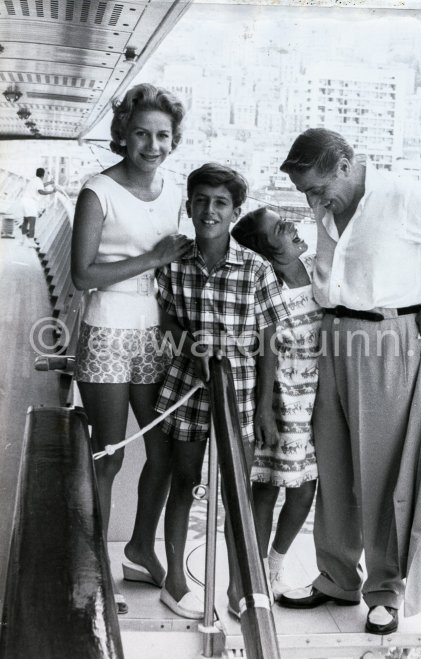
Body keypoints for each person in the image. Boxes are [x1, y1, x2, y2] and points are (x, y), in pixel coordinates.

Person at [277, 128, 421, 634]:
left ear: (347, 165)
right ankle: (335, 577)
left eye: (318, 188)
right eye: (305, 192)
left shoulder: (402, 196)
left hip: (387, 337)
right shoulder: (328, 207)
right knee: (331, 466)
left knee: (382, 473)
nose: (312, 201)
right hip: (332, 337)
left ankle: (385, 591)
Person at [71, 83, 189, 614]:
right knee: (109, 451)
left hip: (154, 332)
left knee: (162, 449)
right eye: (141, 133)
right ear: (123, 134)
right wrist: (153, 258)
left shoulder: (176, 191)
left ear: (174, 140)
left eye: (162, 135)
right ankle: (88, 568)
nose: (152, 144)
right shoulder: (98, 190)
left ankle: (141, 550)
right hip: (108, 327)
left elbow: (182, 264)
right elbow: (82, 274)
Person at [155, 164, 289, 618]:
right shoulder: (174, 263)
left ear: (235, 212)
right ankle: (174, 581)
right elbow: (167, 320)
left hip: (242, 392)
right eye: (201, 201)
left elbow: (270, 339)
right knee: (184, 480)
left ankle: (238, 588)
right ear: (189, 205)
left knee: (237, 491)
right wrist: (186, 343)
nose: (209, 210)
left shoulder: (256, 268)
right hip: (187, 389)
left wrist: (266, 410)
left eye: (220, 203)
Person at [231, 207, 322, 599]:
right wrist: (263, 406)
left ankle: (275, 562)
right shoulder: (265, 288)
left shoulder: (319, 269)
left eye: (287, 221)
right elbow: (257, 348)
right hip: (278, 397)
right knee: (265, 487)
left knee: (305, 487)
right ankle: (252, 577)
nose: (293, 227)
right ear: (264, 251)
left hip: (319, 397)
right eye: (281, 228)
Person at [21, 167, 55, 240]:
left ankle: (23, 240)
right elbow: (41, 191)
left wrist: (49, 183)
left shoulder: (34, 180)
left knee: (26, 220)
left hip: (24, 200)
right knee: (32, 221)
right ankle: (31, 240)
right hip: (30, 202)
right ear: (43, 174)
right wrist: (51, 192)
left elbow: (41, 185)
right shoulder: (38, 181)